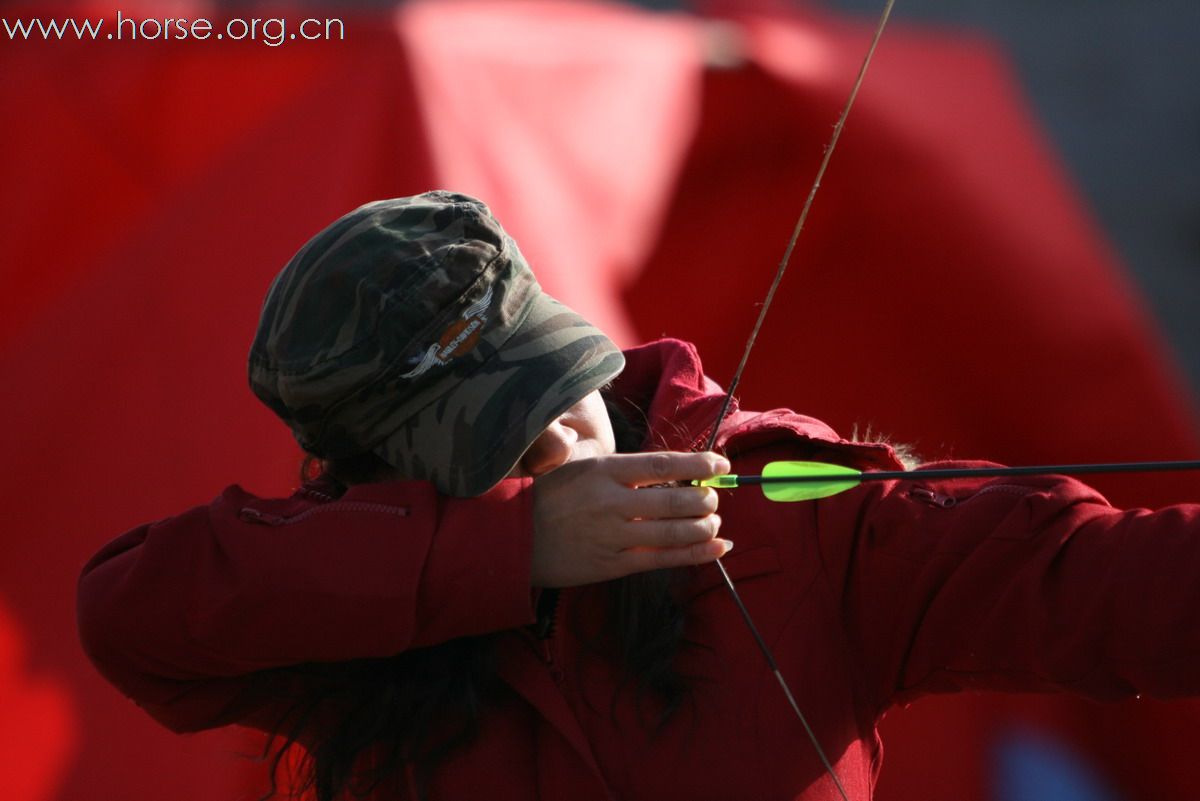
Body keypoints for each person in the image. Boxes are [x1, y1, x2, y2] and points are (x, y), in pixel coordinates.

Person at [77, 191, 1200, 801]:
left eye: (555, 382)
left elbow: (1099, 585)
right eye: (496, 434)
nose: (561, 434)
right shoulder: (358, 598)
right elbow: (132, 617)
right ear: (380, 474)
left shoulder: (786, 511)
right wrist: (509, 551)